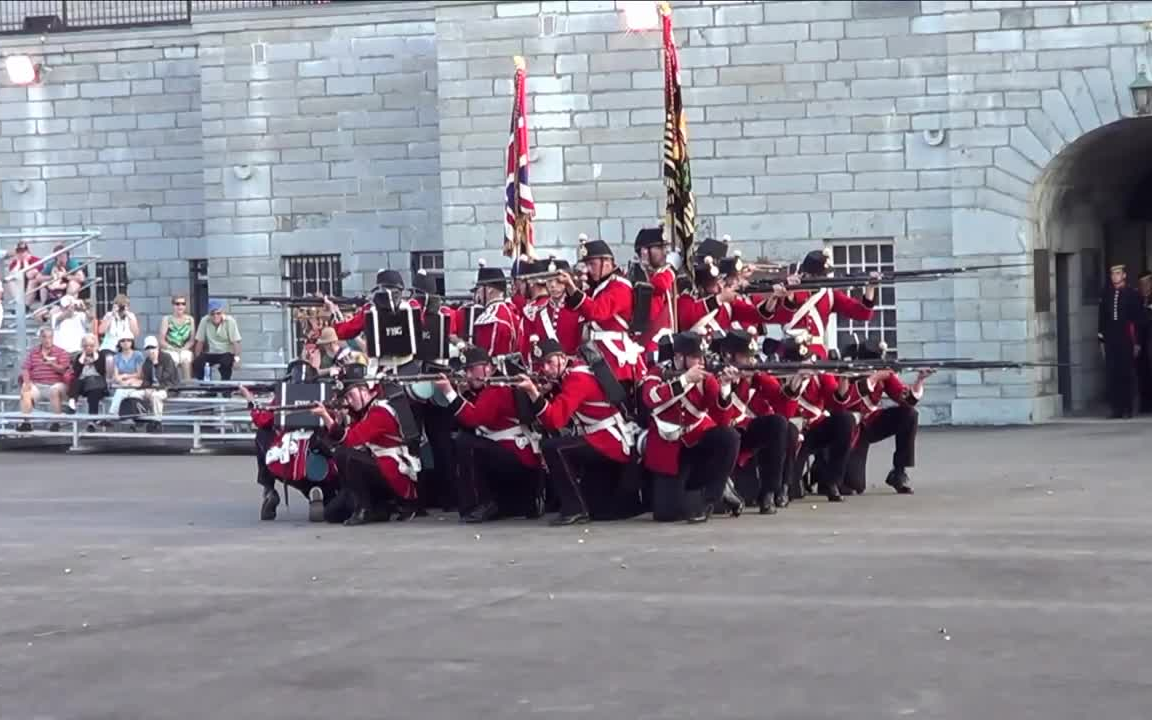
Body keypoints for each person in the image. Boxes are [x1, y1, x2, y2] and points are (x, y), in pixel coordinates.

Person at [516, 337, 639, 525]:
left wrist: (534, 393)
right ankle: (579, 506)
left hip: (608, 439)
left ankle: (574, 509)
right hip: (598, 437)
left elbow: (555, 420)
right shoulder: (571, 374)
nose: (546, 369)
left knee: (552, 447)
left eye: (550, 362)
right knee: (598, 508)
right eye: (543, 364)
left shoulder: (577, 378)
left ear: (563, 359)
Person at [434, 345, 546, 523]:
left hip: (517, 455)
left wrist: (450, 393)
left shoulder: (497, 388)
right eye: (466, 371)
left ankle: (476, 504)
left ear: (488, 368)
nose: (469, 375)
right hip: (509, 453)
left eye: (472, 369)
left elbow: (475, 418)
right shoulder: (488, 387)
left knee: (466, 443)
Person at [640, 332, 742, 523]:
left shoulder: (706, 378)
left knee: (729, 437)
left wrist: (726, 387)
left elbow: (722, 419)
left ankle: (711, 498)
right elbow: (651, 398)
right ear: (679, 357)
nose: (700, 361)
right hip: (669, 449)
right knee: (666, 515)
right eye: (695, 356)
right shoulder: (658, 372)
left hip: (697, 443)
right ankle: (718, 491)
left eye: (701, 356)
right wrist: (685, 380)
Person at [312, 364, 421, 526]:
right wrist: (338, 418)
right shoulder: (367, 411)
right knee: (331, 514)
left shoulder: (380, 412)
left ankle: (365, 508)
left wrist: (327, 418)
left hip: (394, 472)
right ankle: (374, 506)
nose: (349, 401)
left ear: (365, 390)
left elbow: (351, 439)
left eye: (350, 395)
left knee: (346, 455)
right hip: (378, 468)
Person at [241, 361, 342, 524]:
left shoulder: (284, 396)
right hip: (324, 459)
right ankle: (320, 494)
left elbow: (262, 419)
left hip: (287, 460)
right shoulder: (326, 395)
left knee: (262, 435)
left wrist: (250, 400)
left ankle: (269, 490)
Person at [712, 329, 796, 514]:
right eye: (745, 357)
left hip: (742, 433)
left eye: (751, 356)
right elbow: (720, 417)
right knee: (741, 495)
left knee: (779, 424)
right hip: (720, 437)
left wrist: (796, 381)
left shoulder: (753, 376)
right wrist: (727, 384)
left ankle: (769, 492)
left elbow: (784, 406)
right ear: (729, 356)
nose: (751, 361)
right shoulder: (714, 376)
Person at [837, 338, 931, 495]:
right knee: (854, 485)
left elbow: (906, 400)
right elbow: (844, 401)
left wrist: (919, 380)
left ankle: (899, 472)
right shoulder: (848, 372)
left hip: (872, 423)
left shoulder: (883, 373)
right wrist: (873, 378)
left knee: (909, 415)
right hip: (851, 428)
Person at [762, 249, 880, 359]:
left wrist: (870, 288)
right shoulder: (789, 290)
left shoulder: (830, 293)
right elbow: (778, 311)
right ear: (809, 274)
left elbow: (862, 313)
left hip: (817, 354)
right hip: (788, 352)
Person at [778, 336, 856, 502]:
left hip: (815, 429)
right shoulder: (778, 376)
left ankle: (832, 481)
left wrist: (844, 379)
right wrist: (798, 378)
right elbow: (784, 410)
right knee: (793, 491)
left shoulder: (819, 374)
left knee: (845, 420)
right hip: (791, 433)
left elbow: (837, 402)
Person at [558, 235, 643, 384]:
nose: (589, 270)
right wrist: (573, 286)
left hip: (614, 357)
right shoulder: (598, 287)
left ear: (608, 262)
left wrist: (572, 287)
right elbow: (573, 309)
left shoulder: (620, 286)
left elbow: (597, 312)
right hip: (595, 353)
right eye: (587, 265)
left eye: (593, 264)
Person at [1098, 263, 1143, 418]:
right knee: (1112, 374)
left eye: (1118, 273)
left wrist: (1137, 342)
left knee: (1126, 373)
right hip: (1111, 338)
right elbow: (1102, 319)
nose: (1115, 276)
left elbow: (1137, 319)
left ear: (1124, 275)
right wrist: (1102, 341)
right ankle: (1116, 409)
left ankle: (1128, 408)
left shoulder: (1132, 294)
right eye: (1112, 274)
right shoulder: (1106, 294)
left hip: (1126, 338)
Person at [519, 257, 581, 361]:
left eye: (558, 281)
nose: (553, 285)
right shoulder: (536, 313)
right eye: (549, 280)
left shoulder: (578, 311)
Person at [631, 227, 677, 354]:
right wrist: (672, 270)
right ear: (644, 251)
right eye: (659, 248)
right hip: (644, 345)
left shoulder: (659, 274)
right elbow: (658, 286)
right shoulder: (636, 275)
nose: (665, 252)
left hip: (662, 341)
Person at [17, 327, 71, 433]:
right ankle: (26, 423)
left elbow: (63, 370)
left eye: (50, 337)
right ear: (40, 338)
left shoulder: (61, 352)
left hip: (56, 384)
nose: (47, 340)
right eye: (44, 337)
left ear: (53, 338)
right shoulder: (34, 352)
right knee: (26, 388)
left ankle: (56, 422)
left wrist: (53, 364)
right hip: (37, 384)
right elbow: (25, 369)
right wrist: (27, 382)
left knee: (54, 390)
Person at [471, 260, 521, 358]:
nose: (478, 293)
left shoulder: (494, 317)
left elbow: (487, 355)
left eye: (480, 288)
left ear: (489, 289)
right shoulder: (508, 311)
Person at [193, 299, 242, 381]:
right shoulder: (204, 320)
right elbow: (200, 342)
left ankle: (226, 390)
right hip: (212, 353)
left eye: (218, 313)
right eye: (212, 313)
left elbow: (236, 343)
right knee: (198, 363)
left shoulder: (230, 321)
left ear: (222, 313)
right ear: (209, 314)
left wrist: (237, 360)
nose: (215, 316)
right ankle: (205, 388)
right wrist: (197, 357)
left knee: (226, 363)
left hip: (226, 352)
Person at [139, 335, 180, 429]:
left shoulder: (166, 358)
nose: (150, 350)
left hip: (168, 388)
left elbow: (165, 377)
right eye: (147, 348)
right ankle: (138, 421)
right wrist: (146, 388)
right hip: (153, 388)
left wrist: (155, 363)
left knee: (155, 396)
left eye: (152, 347)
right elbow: (147, 379)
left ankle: (157, 422)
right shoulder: (147, 361)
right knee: (135, 394)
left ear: (157, 347)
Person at [69, 334, 108, 429]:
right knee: (76, 381)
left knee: (94, 393)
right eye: (86, 346)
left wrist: (94, 359)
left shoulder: (101, 355)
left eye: (91, 346)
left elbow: (102, 370)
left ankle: (91, 421)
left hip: (96, 383)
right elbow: (76, 372)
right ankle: (72, 401)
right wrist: (82, 359)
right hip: (82, 384)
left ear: (96, 346)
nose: (88, 348)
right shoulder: (79, 356)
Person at [106, 333, 146, 417]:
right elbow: (116, 376)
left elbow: (139, 374)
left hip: (135, 383)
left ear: (132, 342)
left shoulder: (138, 355)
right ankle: (116, 415)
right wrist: (122, 382)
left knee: (122, 392)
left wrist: (125, 376)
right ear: (119, 343)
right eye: (123, 340)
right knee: (121, 391)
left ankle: (112, 414)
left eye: (128, 340)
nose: (125, 342)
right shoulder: (116, 357)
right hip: (121, 384)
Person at [158, 294, 196, 380]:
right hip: (169, 348)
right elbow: (161, 340)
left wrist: (183, 349)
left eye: (183, 304)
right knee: (172, 359)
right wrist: (172, 348)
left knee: (186, 359)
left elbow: (191, 340)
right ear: (173, 305)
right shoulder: (167, 319)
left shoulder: (190, 319)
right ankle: (172, 387)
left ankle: (187, 387)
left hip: (184, 348)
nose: (180, 306)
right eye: (177, 304)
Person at [4, 239, 41, 308]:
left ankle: (26, 306)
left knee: (33, 280)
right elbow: (12, 275)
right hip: (21, 289)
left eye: (23, 251)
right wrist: (18, 263)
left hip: (35, 290)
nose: (21, 254)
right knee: (10, 280)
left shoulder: (36, 260)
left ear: (28, 251)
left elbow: (29, 275)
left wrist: (25, 262)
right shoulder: (15, 262)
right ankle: (19, 304)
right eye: (18, 252)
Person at [1138, 270, 1152, 414]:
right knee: (1142, 375)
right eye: (1142, 284)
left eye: (1147, 283)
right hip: (1141, 344)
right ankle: (1145, 405)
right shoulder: (1137, 300)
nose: (1145, 286)